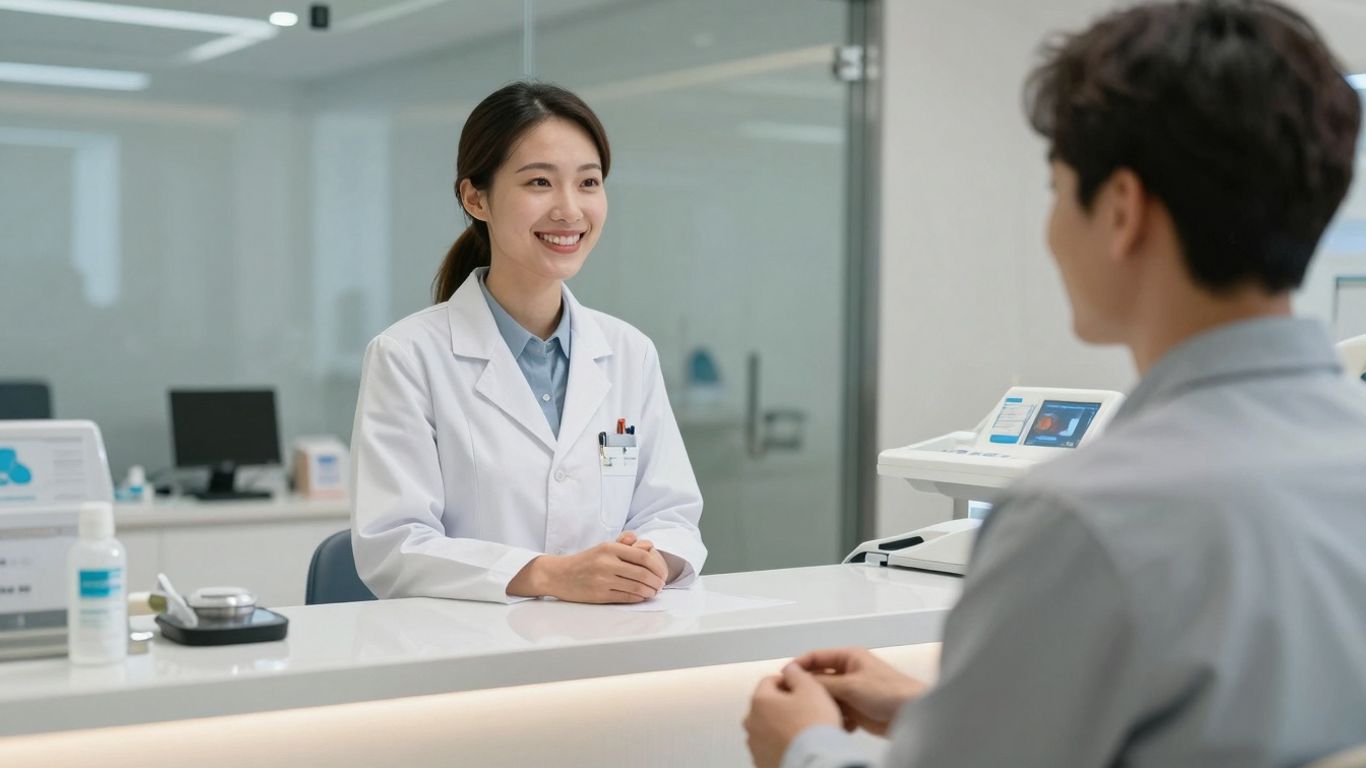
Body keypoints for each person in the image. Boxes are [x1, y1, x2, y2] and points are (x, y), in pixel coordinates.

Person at [744, 1, 1366, 765]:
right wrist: (942, 712)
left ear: (1121, 210)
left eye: (1057, 187)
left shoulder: (1081, 522)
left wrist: (801, 746)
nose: (1050, 229)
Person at [350, 82, 706, 604]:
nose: (569, 210)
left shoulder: (630, 352)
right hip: (468, 655)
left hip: (611, 642)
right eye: (540, 182)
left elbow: (670, 513)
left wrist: (649, 558)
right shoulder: (407, 356)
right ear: (476, 198)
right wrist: (548, 575)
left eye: (588, 183)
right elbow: (394, 545)